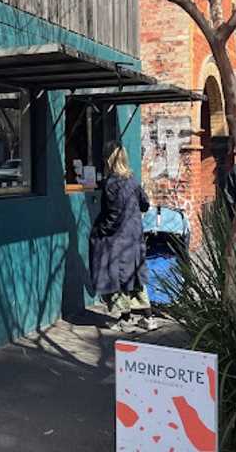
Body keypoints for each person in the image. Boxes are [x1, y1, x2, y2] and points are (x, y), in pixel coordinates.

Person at [89, 142, 155, 331]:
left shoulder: (112, 183)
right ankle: (148, 319)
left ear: (108, 160)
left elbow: (113, 216)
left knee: (119, 277)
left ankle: (126, 320)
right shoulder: (132, 180)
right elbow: (145, 204)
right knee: (135, 278)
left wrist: (101, 230)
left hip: (118, 239)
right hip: (135, 236)